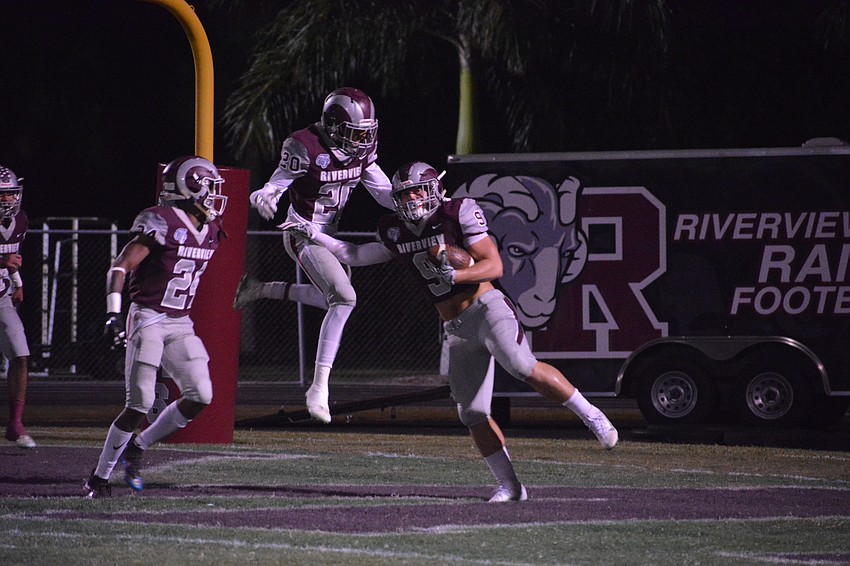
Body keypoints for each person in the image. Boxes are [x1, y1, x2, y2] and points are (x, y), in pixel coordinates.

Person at [282, 161, 618, 502]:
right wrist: (315, 235)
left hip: (487, 309)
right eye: (403, 195)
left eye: (416, 192)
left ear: (433, 190)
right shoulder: (394, 229)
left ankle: (592, 416)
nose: (411, 200)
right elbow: (353, 254)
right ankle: (511, 486)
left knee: (520, 365)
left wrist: (457, 276)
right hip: (455, 326)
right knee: (471, 412)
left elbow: (494, 265)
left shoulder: (458, 213)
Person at [232, 87, 394, 424]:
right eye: (355, 133)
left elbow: (382, 192)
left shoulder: (360, 153)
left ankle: (259, 289)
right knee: (344, 299)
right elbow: (279, 180)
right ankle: (319, 388)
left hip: (329, 235)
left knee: (329, 299)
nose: (361, 141)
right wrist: (268, 192)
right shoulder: (305, 146)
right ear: (334, 125)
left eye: (366, 134)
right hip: (301, 232)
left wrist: (413, 206)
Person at [84, 155, 227, 498]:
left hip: (179, 322)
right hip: (148, 316)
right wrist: (113, 314)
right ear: (189, 188)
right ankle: (98, 478)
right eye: (209, 187)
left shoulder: (210, 231)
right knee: (139, 403)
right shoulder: (160, 221)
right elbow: (120, 268)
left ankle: (138, 446)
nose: (214, 196)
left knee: (201, 394)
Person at [0, 165, 35, 449]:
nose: (9, 201)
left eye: (11, 195)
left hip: (2, 296)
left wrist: (17, 281)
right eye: (3, 196)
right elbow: (6, 258)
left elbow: (14, 256)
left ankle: (15, 424)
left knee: (20, 355)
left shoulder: (20, 221)